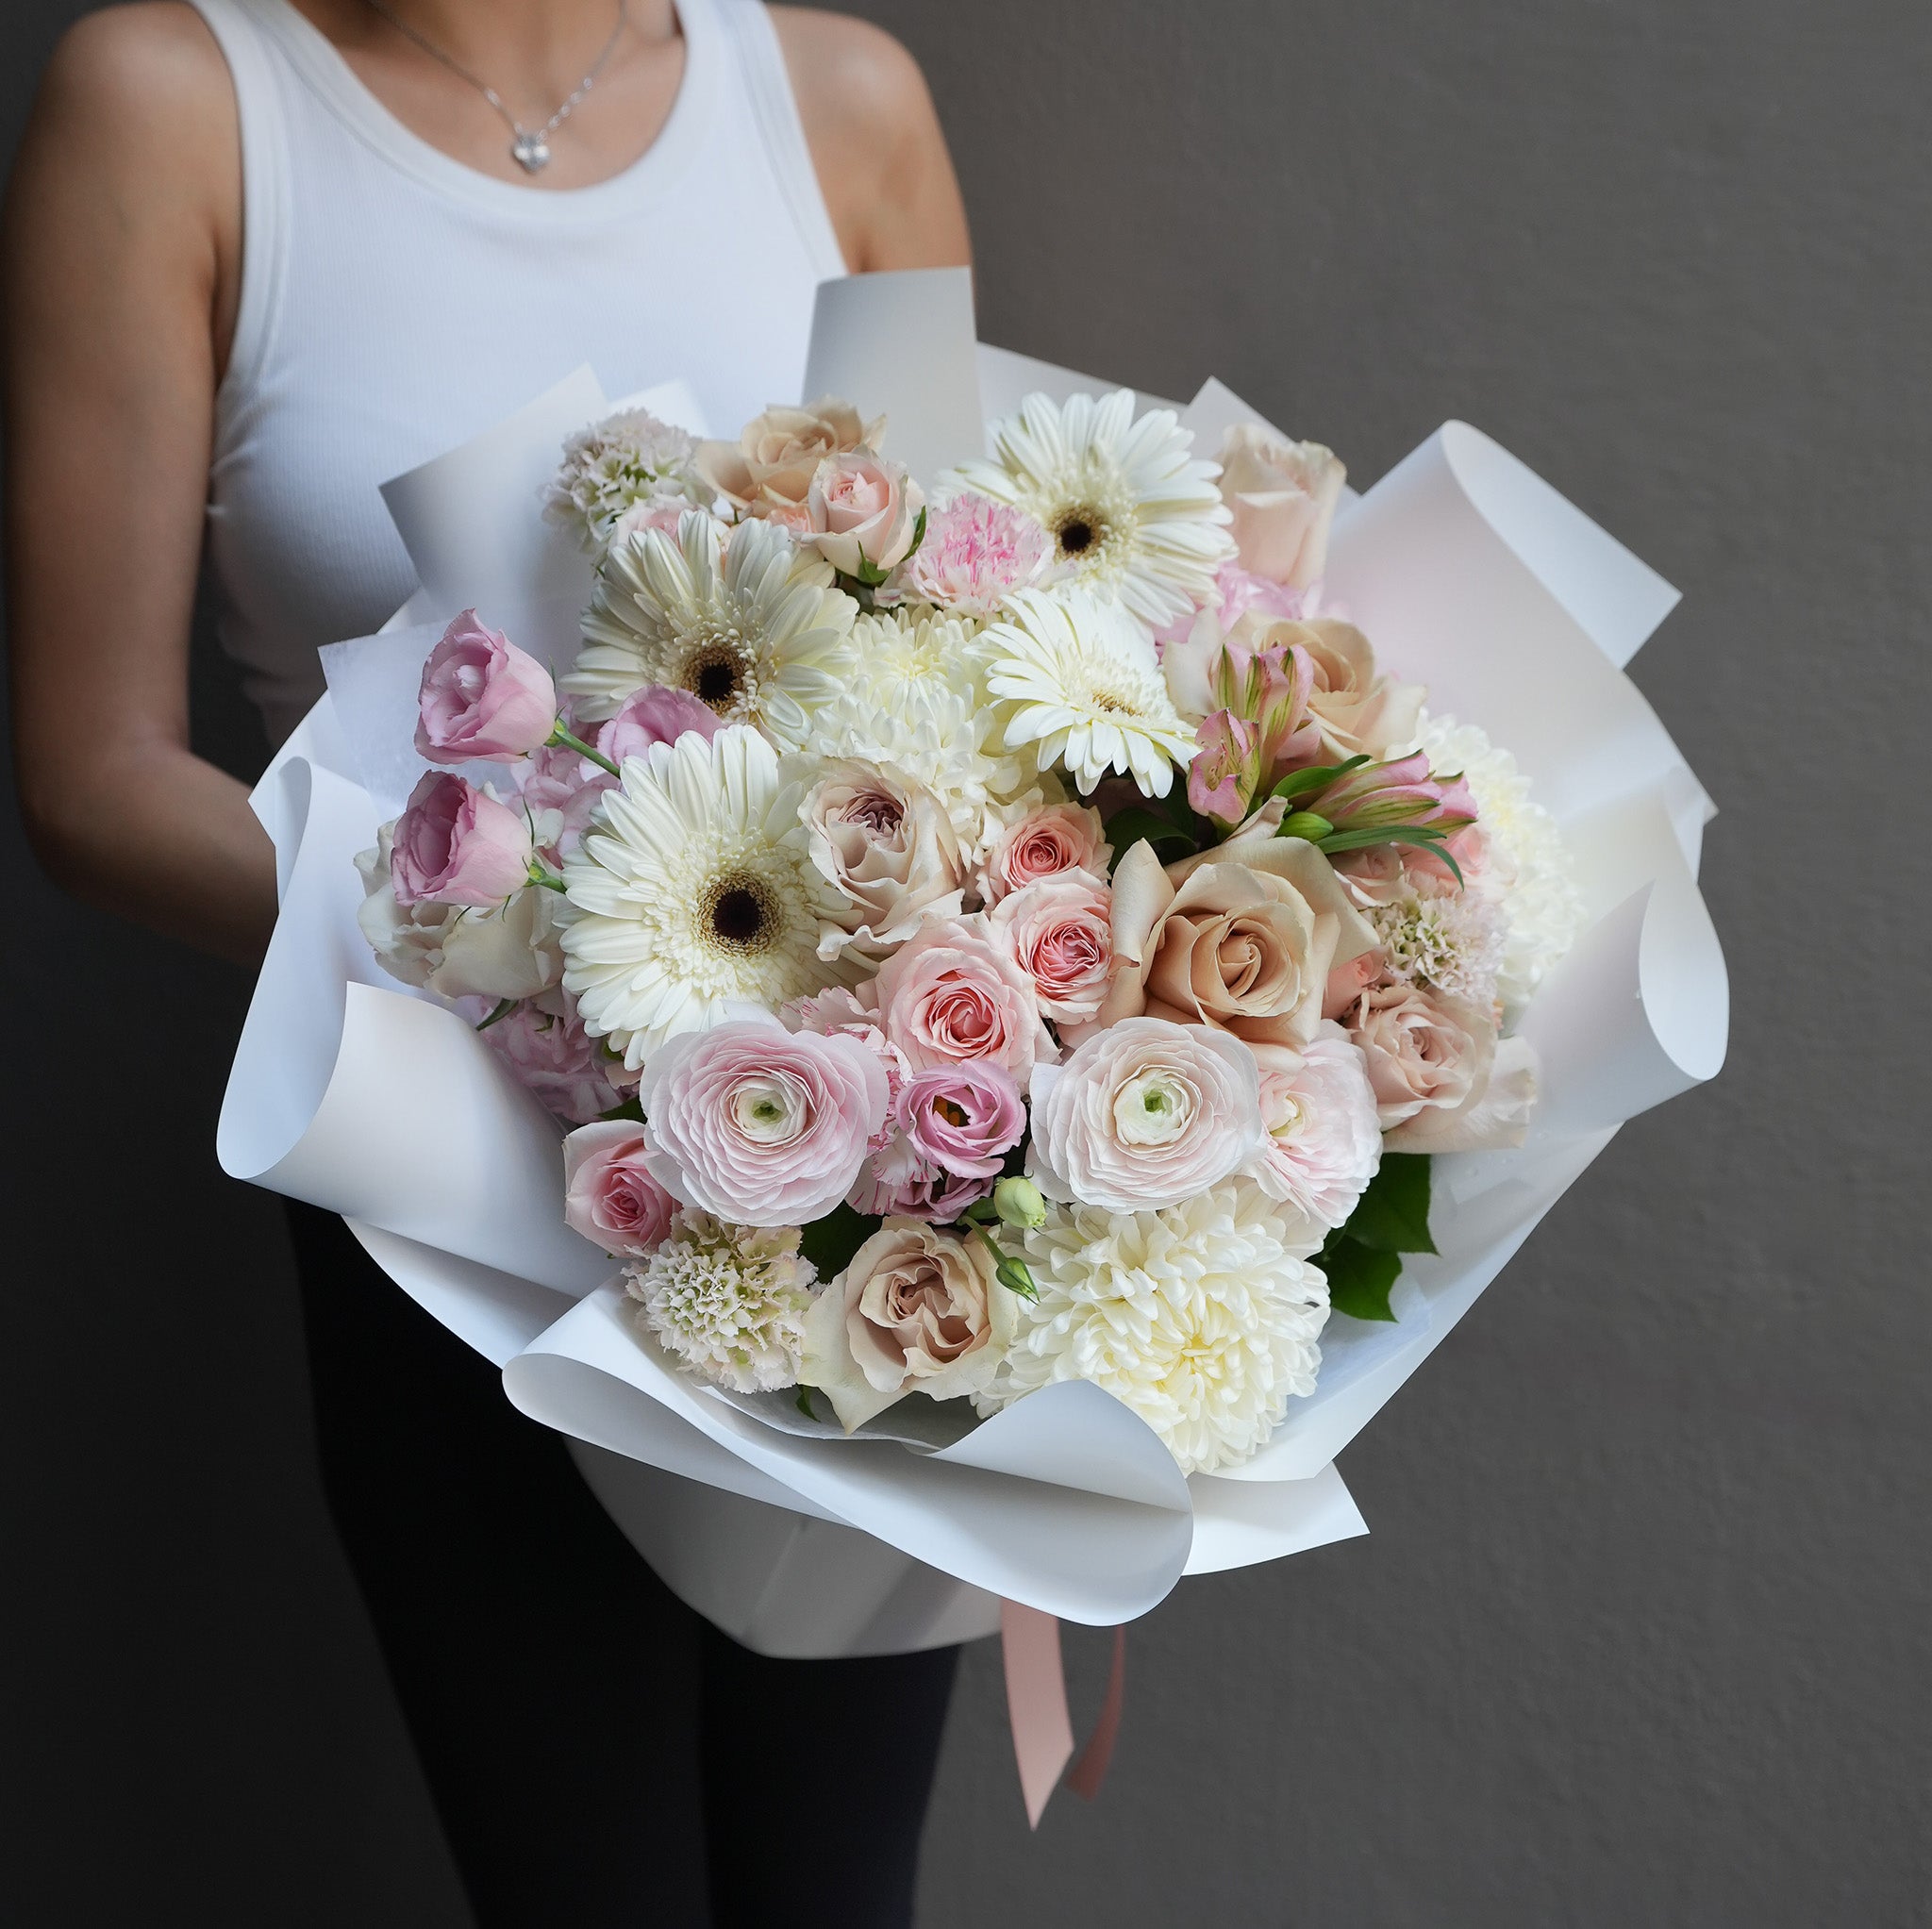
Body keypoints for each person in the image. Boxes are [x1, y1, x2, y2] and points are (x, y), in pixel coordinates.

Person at [4, 4, 973, 1923]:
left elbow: (962, 656)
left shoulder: (839, 101)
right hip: (441, 1198)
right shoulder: (181, 100)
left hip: (856, 1204)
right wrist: (552, 967)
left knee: (834, 1898)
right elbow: (95, 781)